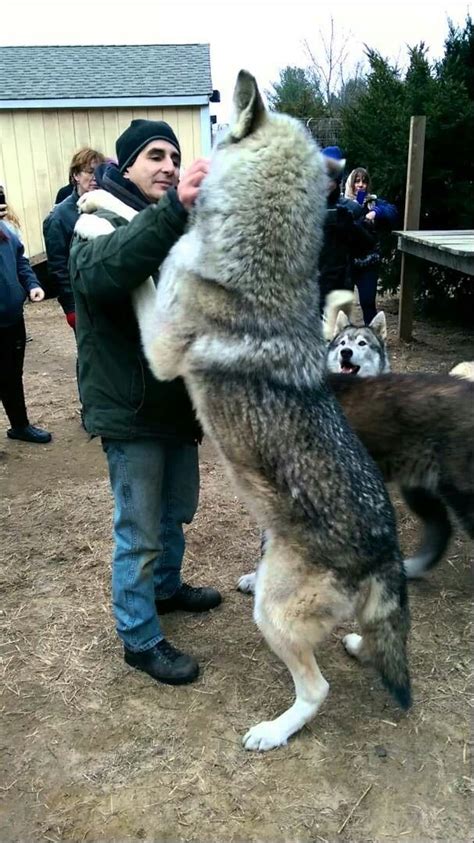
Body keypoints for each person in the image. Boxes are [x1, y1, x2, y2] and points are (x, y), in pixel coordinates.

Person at [69, 119, 221, 686]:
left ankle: (165, 588)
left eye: (176, 157)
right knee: (138, 528)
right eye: (155, 155)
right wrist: (175, 211)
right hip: (131, 407)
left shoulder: (172, 225)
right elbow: (107, 270)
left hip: (176, 403)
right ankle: (138, 636)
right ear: (127, 163)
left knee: (177, 509)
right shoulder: (96, 217)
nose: (169, 166)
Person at [0, 215, 51, 444]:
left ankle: (19, 426)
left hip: (12, 318)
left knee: (12, 375)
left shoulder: (5, 229)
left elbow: (20, 260)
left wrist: (32, 284)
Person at [43, 147, 106, 332]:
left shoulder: (107, 207)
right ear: (76, 175)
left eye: (99, 172)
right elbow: (58, 267)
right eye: (89, 171)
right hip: (81, 303)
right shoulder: (58, 217)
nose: (95, 177)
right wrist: (71, 307)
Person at [318, 148, 376, 314]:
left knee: (337, 331)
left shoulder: (350, 209)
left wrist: (351, 227)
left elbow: (367, 245)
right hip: (311, 283)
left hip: (341, 283)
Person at [344, 166, 398, 324]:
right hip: (347, 262)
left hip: (369, 262)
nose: (360, 185)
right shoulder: (343, 202)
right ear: (351, 183)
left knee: (368, 303)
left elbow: (392, 211)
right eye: (357, 181)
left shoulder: (373, 202)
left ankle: (372, 338)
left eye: (364, 181)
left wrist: (375, 212)